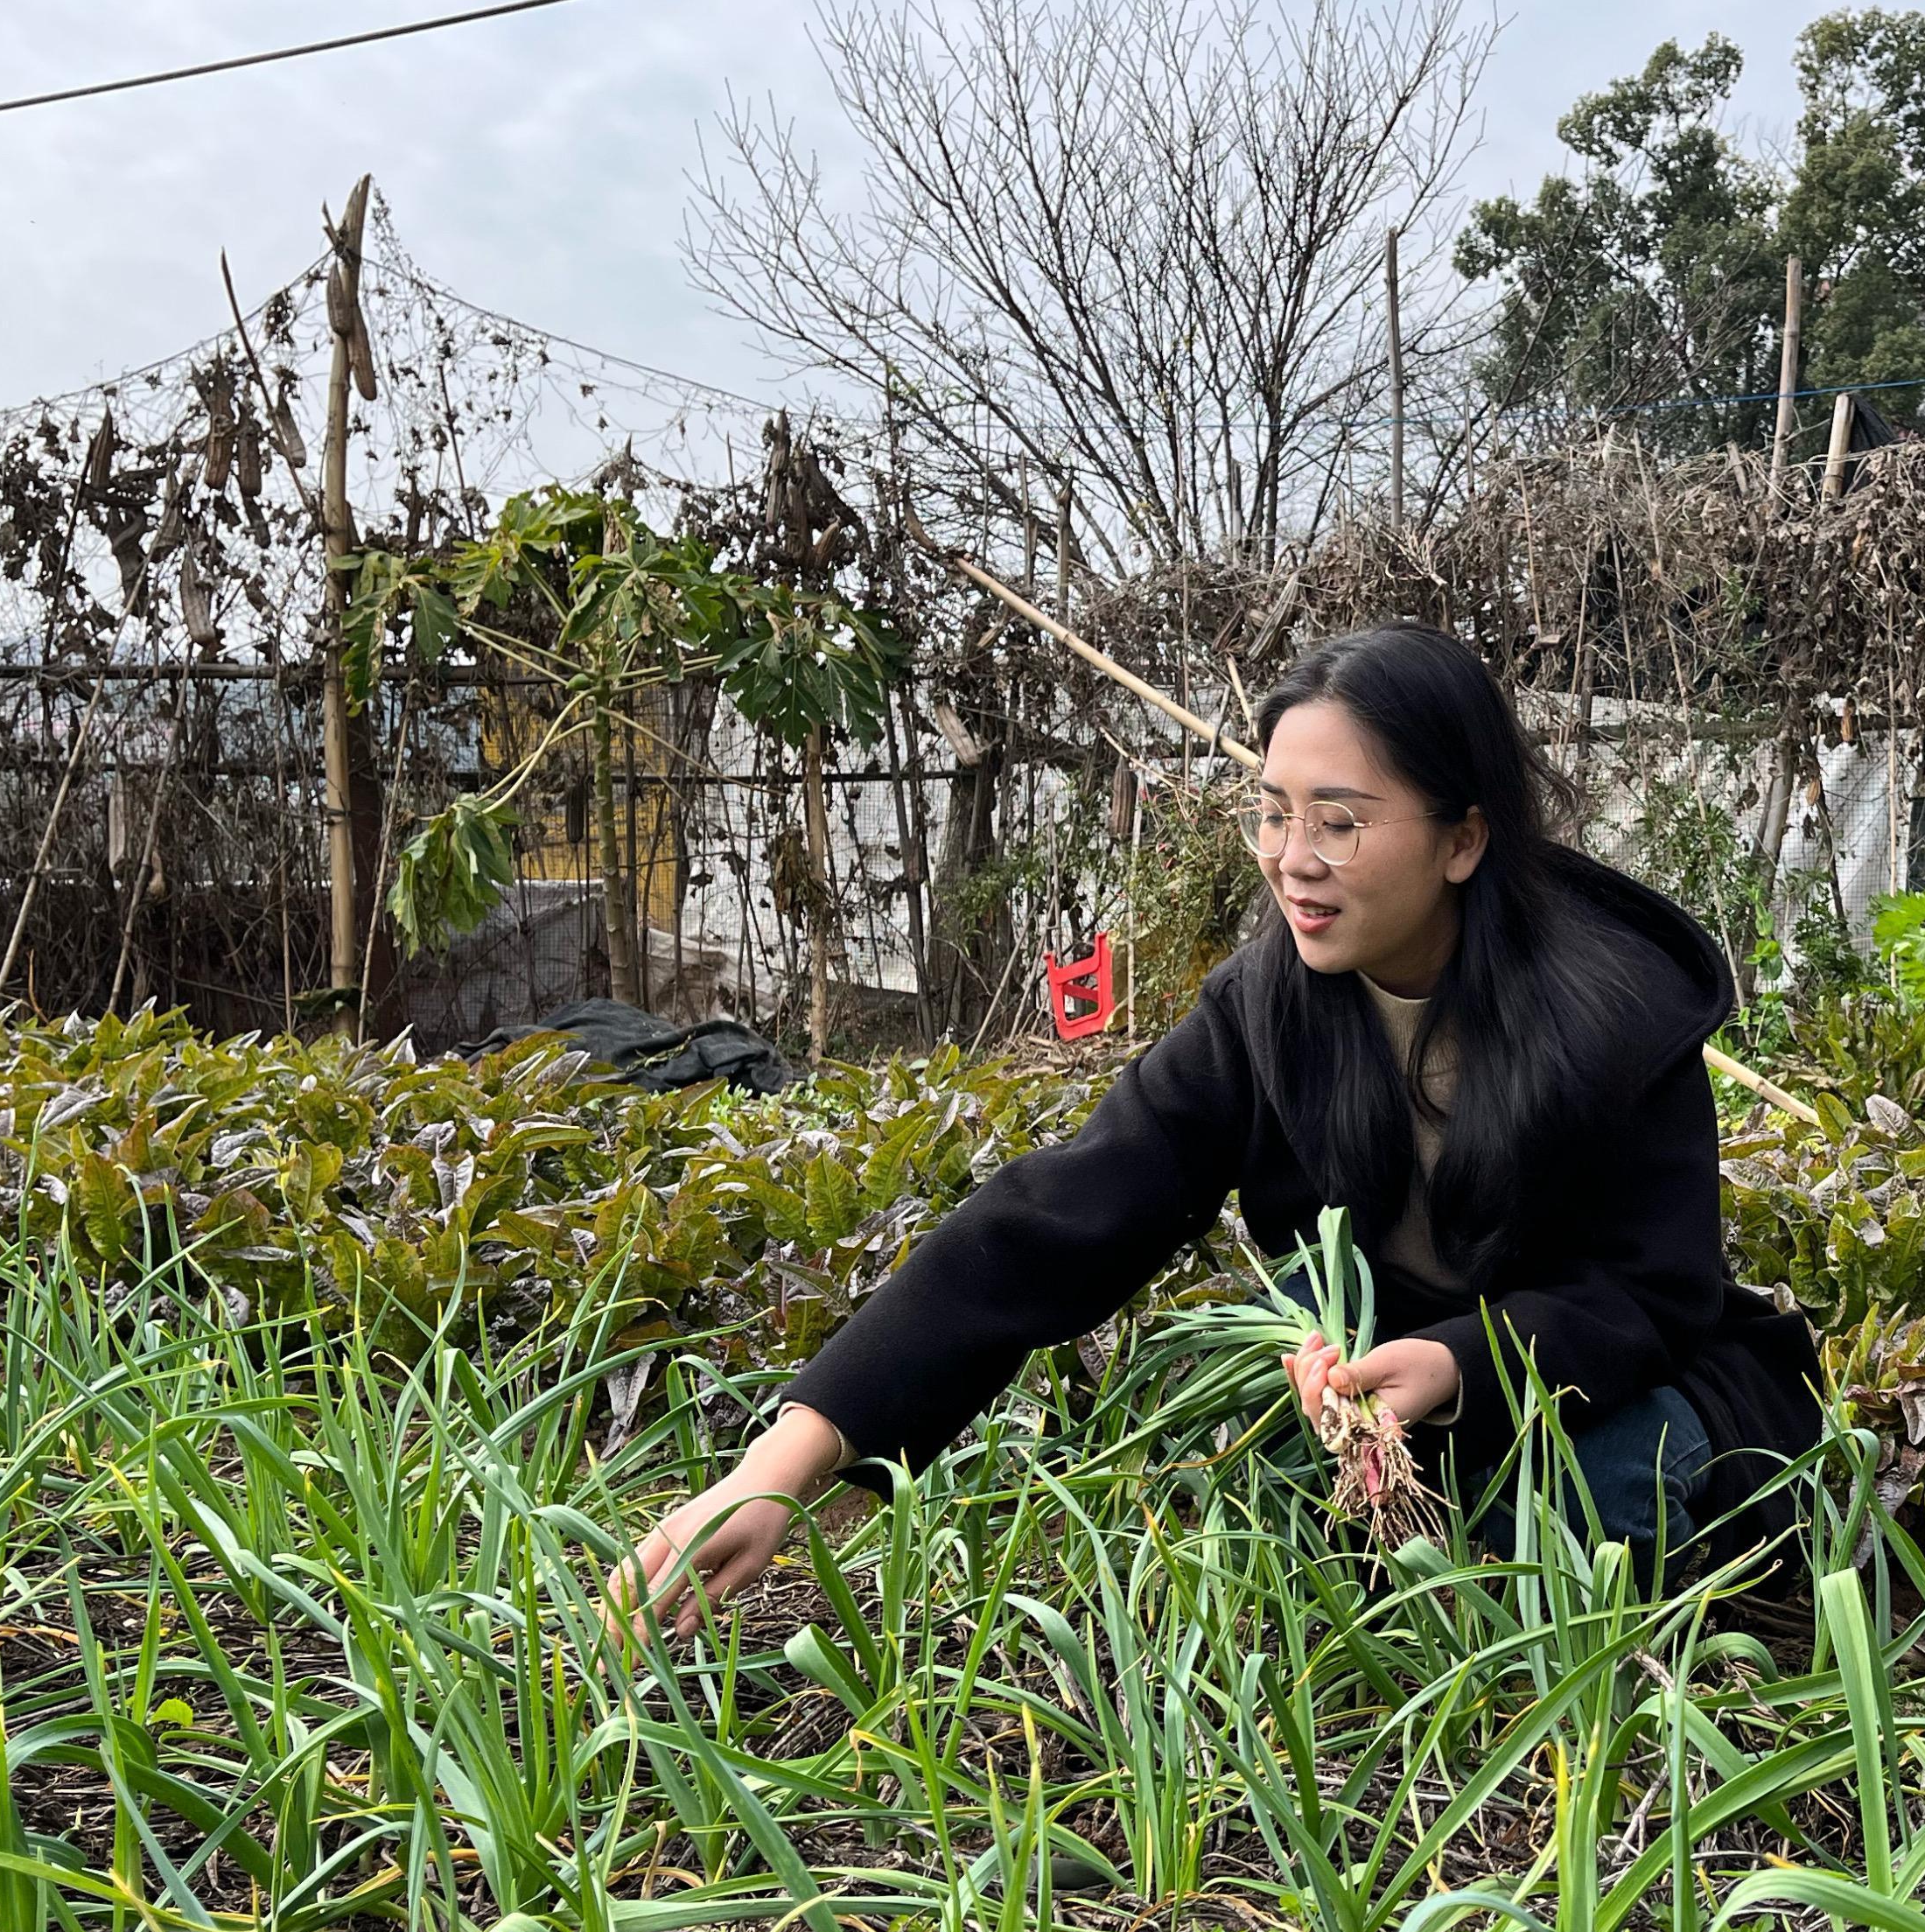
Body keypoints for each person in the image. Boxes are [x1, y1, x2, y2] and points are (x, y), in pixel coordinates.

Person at [612, 621, 1824, 1637]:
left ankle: (1724, 1589)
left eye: (1340, 823)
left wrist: (1459, 1362)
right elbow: (1049, 1228)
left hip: (1609, 1394)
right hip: (1391, 1423)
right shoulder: (1269, 1013)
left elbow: (1653, 1297)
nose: (1294, 863)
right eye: (1273, 815)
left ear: (1463, 838)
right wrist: (776, 1472)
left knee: (1557, 1520)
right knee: (1276, 1522)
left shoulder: (1614, 1014)